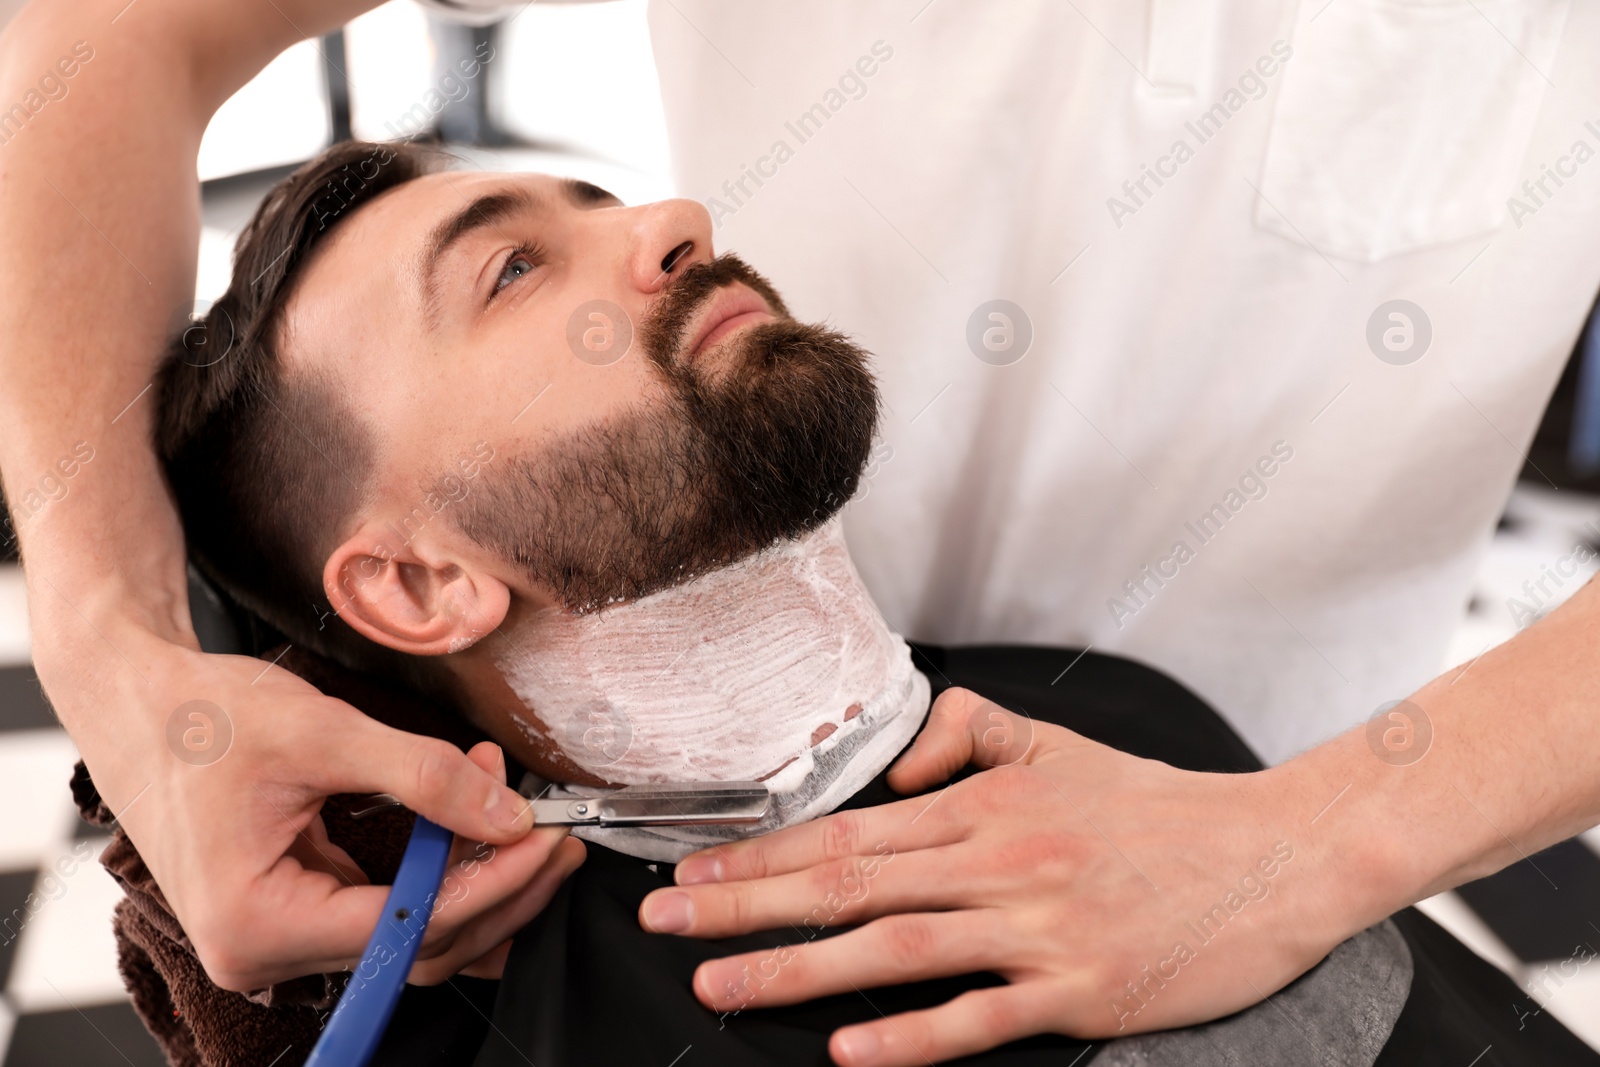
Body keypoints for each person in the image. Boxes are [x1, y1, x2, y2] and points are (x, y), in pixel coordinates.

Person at [1, 1, 1598, 1064]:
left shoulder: (1148, 732)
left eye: (587, 206)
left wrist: (1305, 840)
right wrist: (112, 652)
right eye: (509, 271)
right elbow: (110, 36)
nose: (670, 218)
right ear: (418, 579)